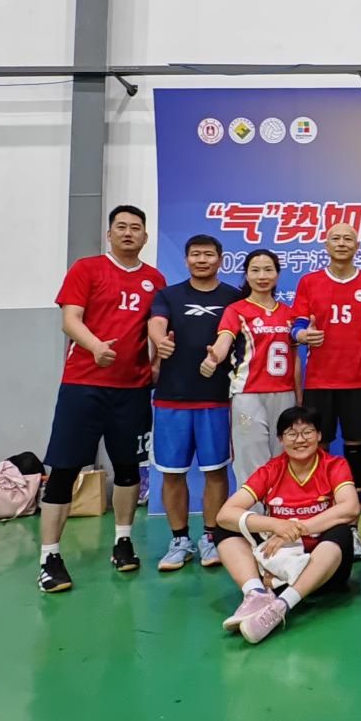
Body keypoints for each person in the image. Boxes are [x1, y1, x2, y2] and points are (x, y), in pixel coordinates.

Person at [38, 205, 166, 593]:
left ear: (145, 236)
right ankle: (49, 557)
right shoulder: (87, 269)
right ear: (109, 234)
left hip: (132, 389)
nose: (128, 233)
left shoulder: (155, 279)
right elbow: (70, 319)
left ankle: (123, 541)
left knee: (128, 469)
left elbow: (157, 328)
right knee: (64, 469)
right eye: (121, 227)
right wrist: (95, 346)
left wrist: (156, 363)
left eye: (135, 228)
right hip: (83, 386)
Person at [213, 406, 359, 645]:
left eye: (307, 432)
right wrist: (276, 525)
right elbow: (225, 514)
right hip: (278, 563)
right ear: (281, 439)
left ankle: (280, 607)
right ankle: (256, 594)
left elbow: (350, 507)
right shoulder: (272, 469)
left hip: (322, 571)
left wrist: (298, 528)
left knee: (341, 533)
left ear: (319, 435)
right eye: (291, 434)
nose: (300, 440)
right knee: (226, 528)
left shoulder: (334, 465)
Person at [291, 222, 361, 561]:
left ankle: (352, 529)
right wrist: (302, 335)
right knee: (317, 451)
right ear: (326, 244)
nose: (342, 243)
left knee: (356, 454)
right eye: (336, 238)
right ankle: (320, 525)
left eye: (348, 238)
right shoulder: (310, 282)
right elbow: (297, 324)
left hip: (358, 382)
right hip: (319, 382)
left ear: (357, 246)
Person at [147, 234, 243, 571]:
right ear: (186, 259)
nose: (202, 260)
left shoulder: (234, 298)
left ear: (221, 259)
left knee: (216, 471)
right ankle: (179, 540)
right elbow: (156, 323)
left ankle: (212, 537)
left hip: (217, 400)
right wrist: (160, 342)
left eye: (209, 254)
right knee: (173, 474)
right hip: (171, 399)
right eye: (196, 254)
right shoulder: (168, 295)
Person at [202, 250, 299, 486]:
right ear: (246, 275)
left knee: (285, 459)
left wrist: (299, 398)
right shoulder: (236, 310)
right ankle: (254, 511)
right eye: (255, 270)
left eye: (268, 270)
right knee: (251, 462)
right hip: (248, 395)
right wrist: (213, 359)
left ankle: (280, 508)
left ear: (277, 274)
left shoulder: (289, 314)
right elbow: (223, 342)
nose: (262, 276)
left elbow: (295, 360)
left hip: (284, 395)